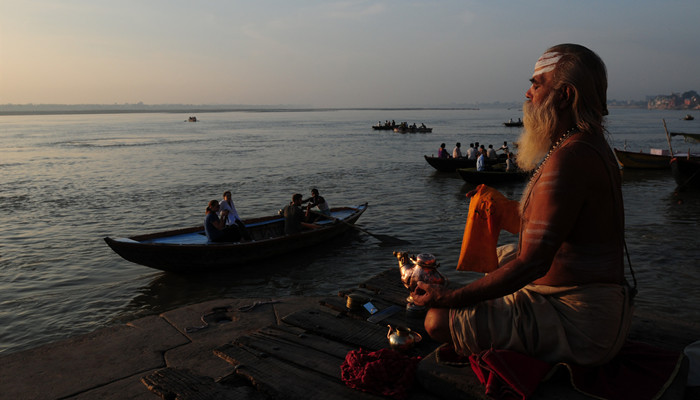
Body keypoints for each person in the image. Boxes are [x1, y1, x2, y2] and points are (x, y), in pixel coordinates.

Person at [412, 43, 632, 367]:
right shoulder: (586, 145)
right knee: (502, 256)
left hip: (578, 322)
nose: (528, 94)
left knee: (436, 320)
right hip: (597, 306)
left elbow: (532, 265)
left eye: (536, 84)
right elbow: (563, 226)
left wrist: (448, 298)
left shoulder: (571, 157)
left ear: (565, 95)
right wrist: (506, 209)